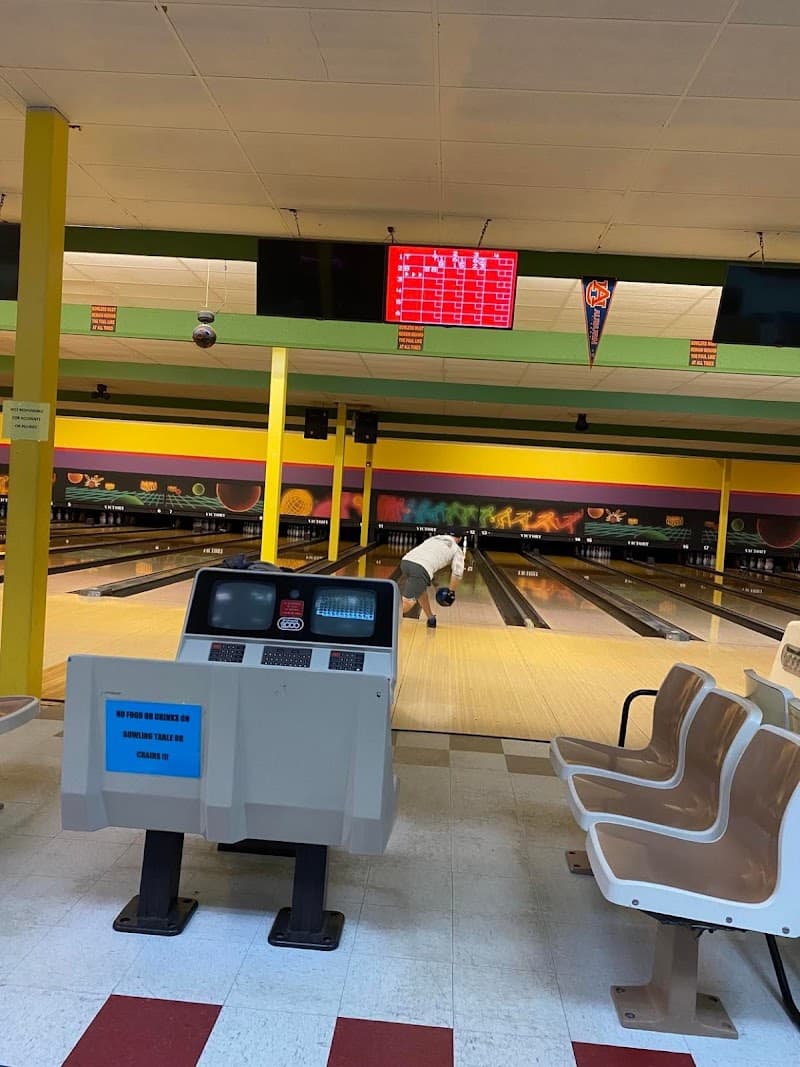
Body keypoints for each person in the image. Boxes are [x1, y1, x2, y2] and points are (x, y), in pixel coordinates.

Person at [399, 530, 465, 629]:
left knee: (421, 590)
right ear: (460, 538)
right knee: (407, 603)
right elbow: (457, 573)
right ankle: (383, 618)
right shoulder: (457, 549)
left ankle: (431, 619)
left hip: (406, 562)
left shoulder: (435, 538)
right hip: (420, 568)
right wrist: (451, 592)